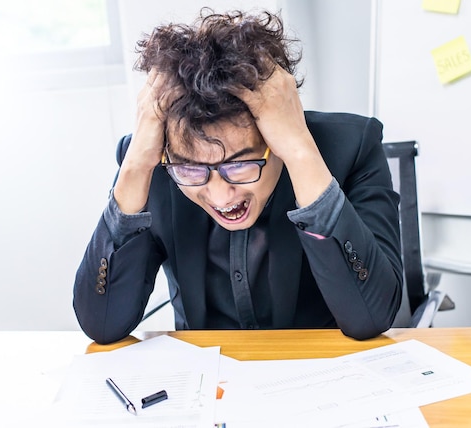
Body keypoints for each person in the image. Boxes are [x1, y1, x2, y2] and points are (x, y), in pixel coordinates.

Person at [73, 9, 403, 344]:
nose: (220, 196)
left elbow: (370, 317)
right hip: (205, 383)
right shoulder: (152, 163)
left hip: (320, 372)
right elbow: (102, 325)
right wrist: (134, 168)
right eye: (191, 169)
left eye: (240, 165)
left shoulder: (352, 148)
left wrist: (301, 153)